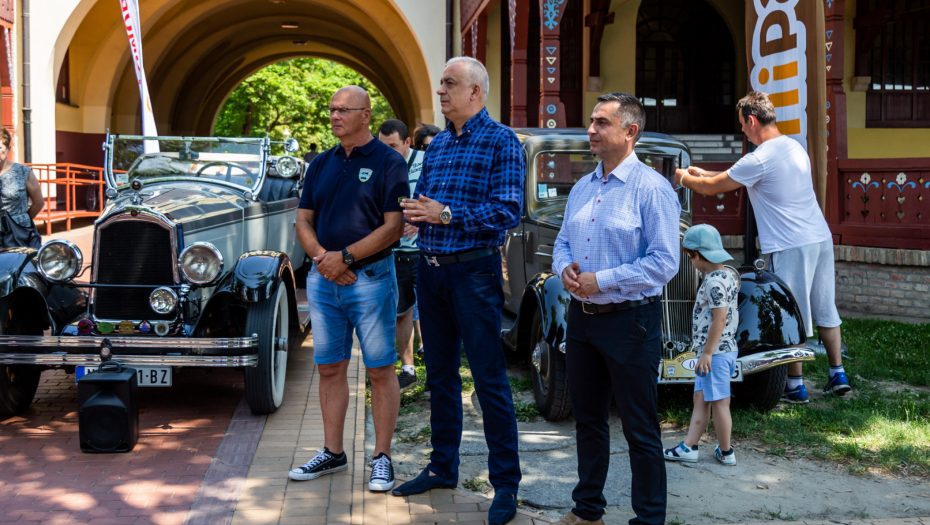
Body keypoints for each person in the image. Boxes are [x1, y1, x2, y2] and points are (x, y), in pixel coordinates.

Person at [392, 56, 524, 525]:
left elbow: (507, 210)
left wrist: (445, 215)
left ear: (476, 92)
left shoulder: (503, 141)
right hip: (431, 271)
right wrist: (415, 220)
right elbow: (428, 203)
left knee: (489, 381)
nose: (441, 91)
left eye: (450, 84)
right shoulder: (440, 145)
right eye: (440, 84)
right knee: (440, 378)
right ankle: (443, 467)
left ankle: (504, 485)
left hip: (474, 274)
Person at [552, 92, 679, 525]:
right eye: (591, 121)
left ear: (630, 132)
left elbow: (664, 262)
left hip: (630, 323)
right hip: (582, 321)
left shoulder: (652, 189)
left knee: (639, 428)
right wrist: (563, 271)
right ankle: (588, 512)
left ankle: (648, 520)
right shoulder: (584, 186)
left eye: (602, 122)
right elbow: (563, 241)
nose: (591, 129)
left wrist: (600, 280)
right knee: (587, 421)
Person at [674, 91, 850, 403]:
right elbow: (735, 176)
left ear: (752, 121)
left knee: (790, 314)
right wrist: (703, 173)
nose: (742, 130)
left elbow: (715, 188)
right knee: (825, 308)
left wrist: (684, 178)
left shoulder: (759, 158)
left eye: (742, 125)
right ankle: (838, 375)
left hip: (790, 244)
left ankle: (794, 386)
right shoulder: (793, 146)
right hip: (819, 238)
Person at [288, 86, 408, 492]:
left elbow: (393, 228)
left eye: (344, 110)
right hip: (324, 282)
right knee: (329, 368)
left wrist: (347, 259)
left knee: (379, 369)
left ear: (366, 115)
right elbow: (303, 220)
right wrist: (324, 258)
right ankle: (333, 453)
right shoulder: (321, 163)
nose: (335, 115)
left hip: (370, 281)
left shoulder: (390, 162)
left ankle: (382, 457)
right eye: (331, 108)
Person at [664, 224, 740, 467]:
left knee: (719, 401)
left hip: (714, 353)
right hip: (722, 350)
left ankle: (726, 451)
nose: (690, 262)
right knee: (702, 397)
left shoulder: (713, 283)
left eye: (689, 257)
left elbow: (719, 319)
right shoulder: (728, 274)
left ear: (697, 255)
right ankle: (690, 446)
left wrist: (706, 352)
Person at [377, 119, 424, 392]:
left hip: (425, 251)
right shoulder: (380, 166)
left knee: (430, 310)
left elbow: (439, 200)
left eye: (393, 146)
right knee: (402, 311)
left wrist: (417, 220)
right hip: (395, 254)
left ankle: (436, 366)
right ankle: (408, 369)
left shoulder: (426, 161)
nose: (389, 152)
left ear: (408, 143)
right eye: (384, 147)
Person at [0, 128, 43, 249]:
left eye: (0, 148)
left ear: (8, 149)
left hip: (18, 235)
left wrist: (21, 221)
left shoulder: (23, 172)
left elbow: (38, 202)